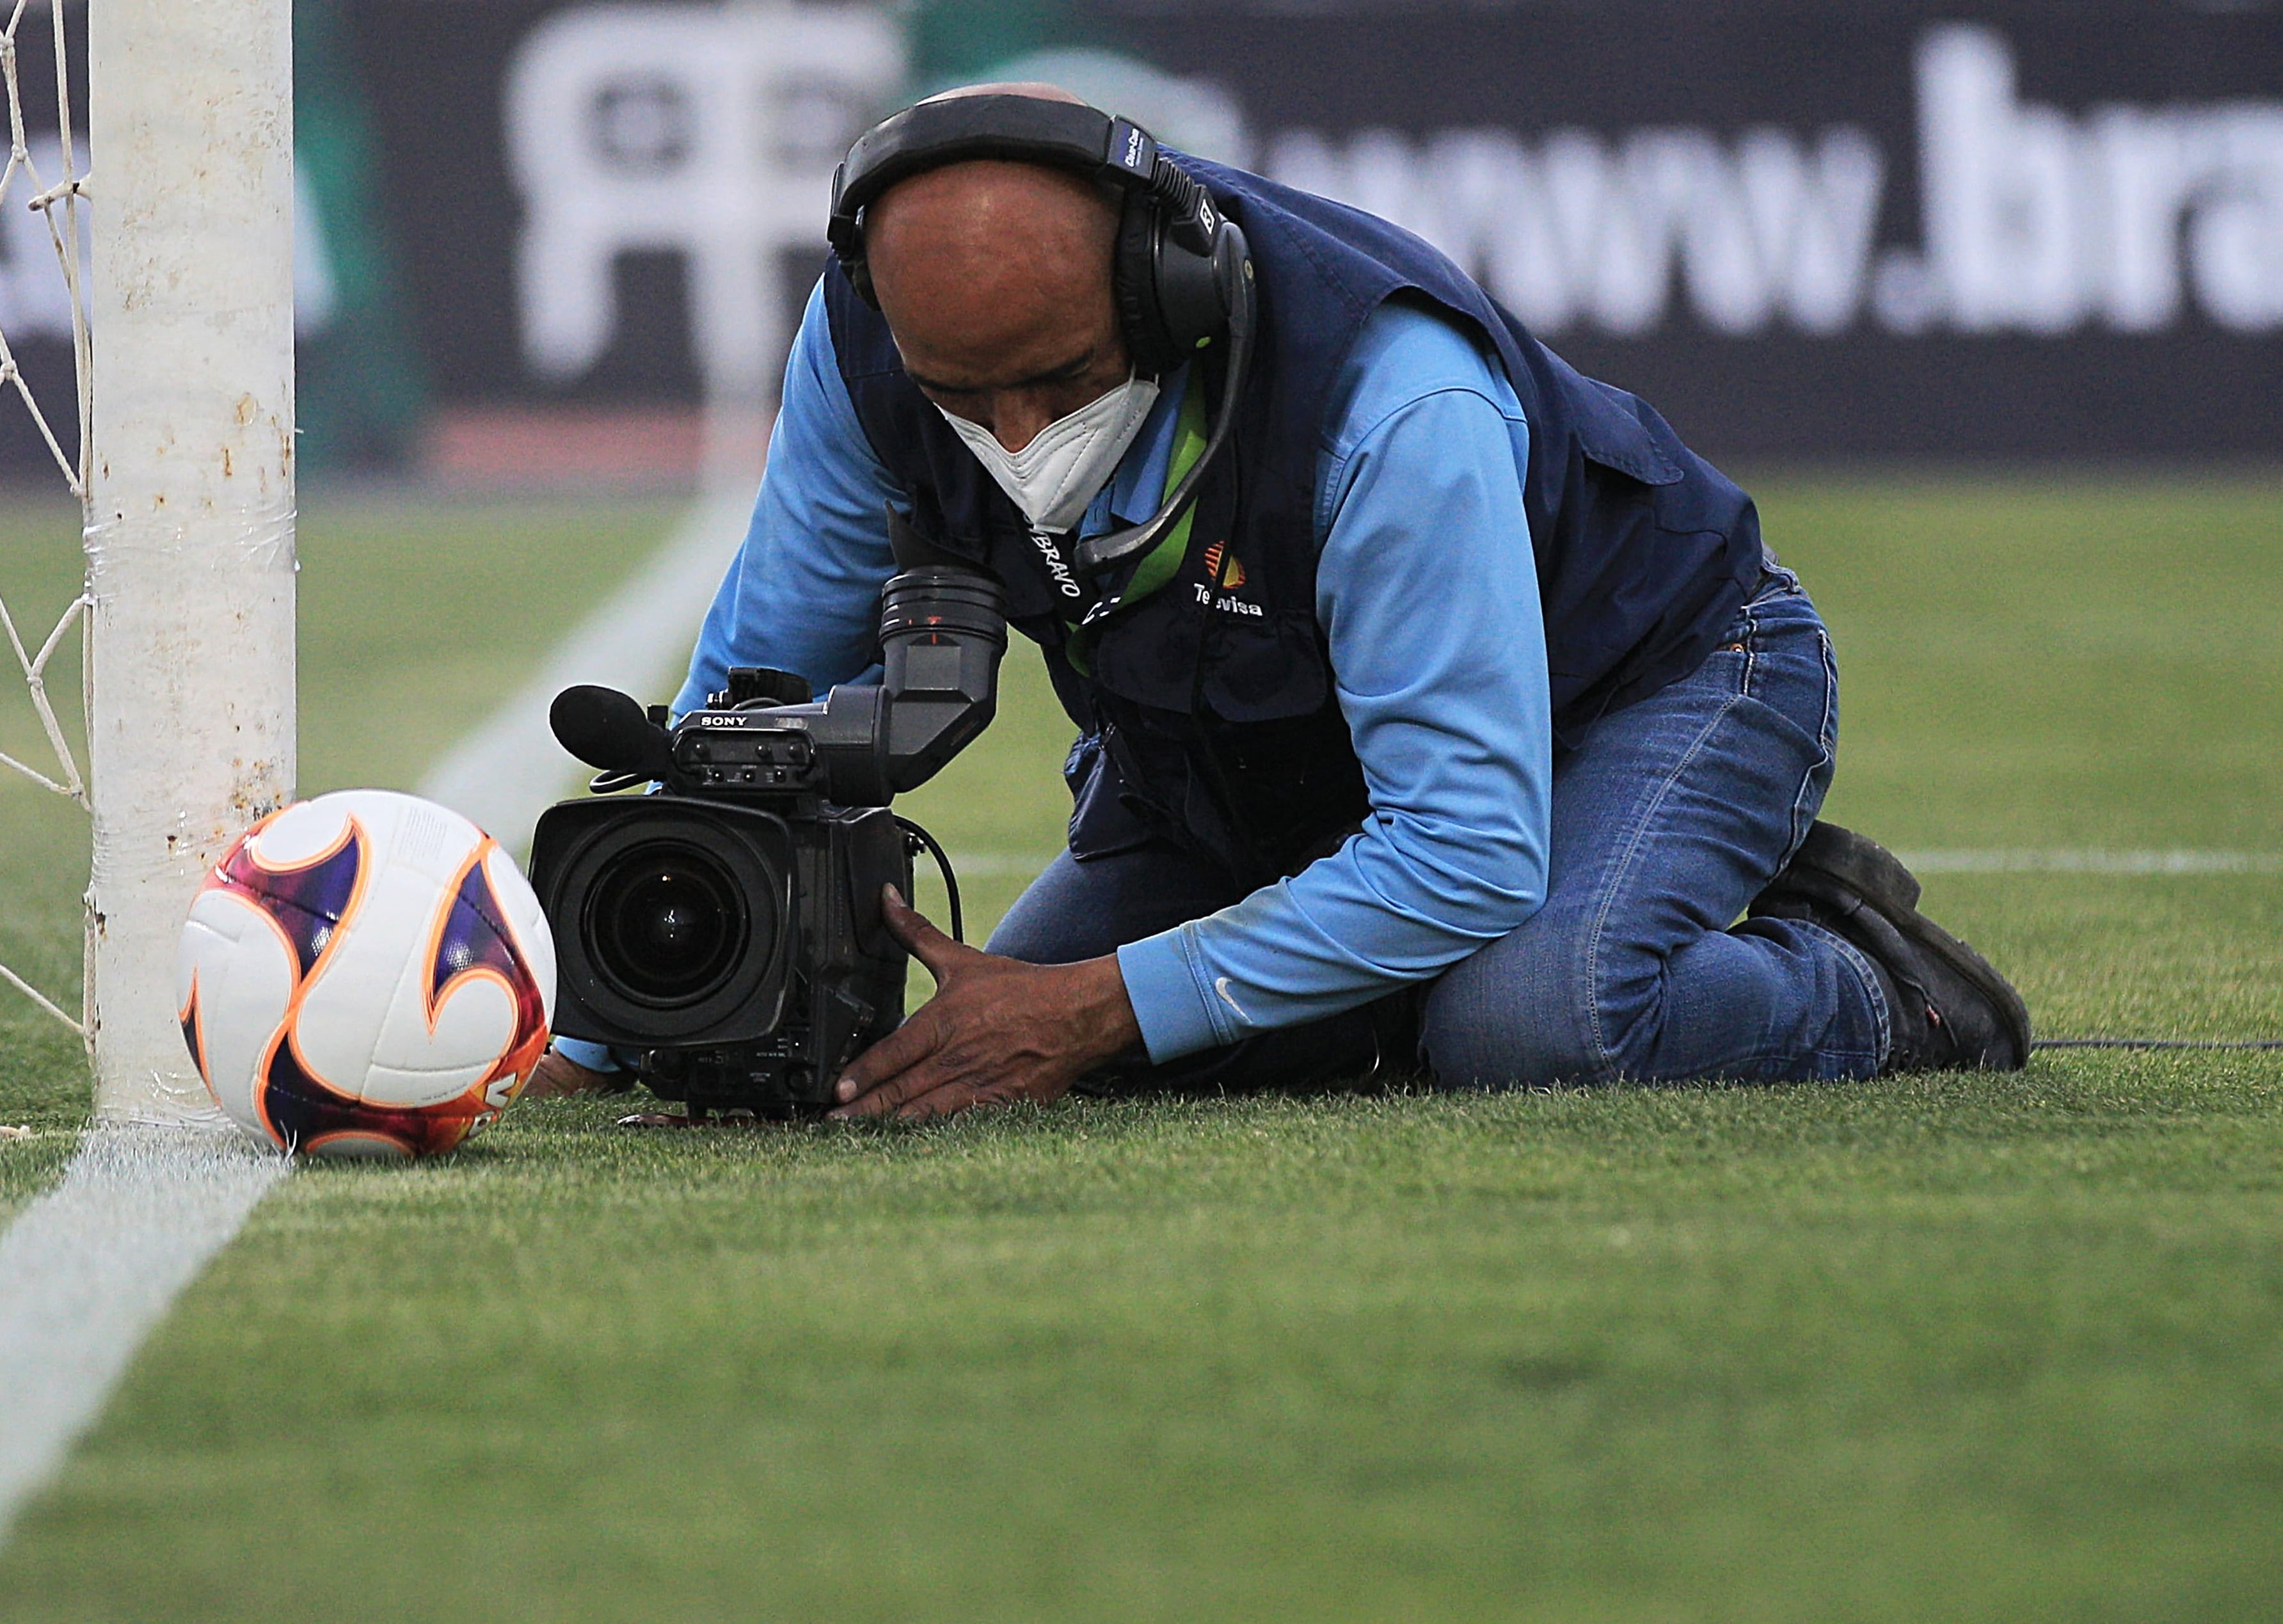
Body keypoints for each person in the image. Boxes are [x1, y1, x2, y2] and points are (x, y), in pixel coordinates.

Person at [529, 84, 2028, 1120]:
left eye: (1055, 380)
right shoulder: (859, 348)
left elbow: (1462, 841)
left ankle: (1869, 989)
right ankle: (1359, 993)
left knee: (1526, 1027)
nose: (1009, 435)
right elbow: (759, 681)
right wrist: (607, 1028)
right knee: (984, 1045)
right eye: (958, 397)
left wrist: (1102, 1002)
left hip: (1654, 683)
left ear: (1168, 299)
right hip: (1245, 762)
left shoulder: (1391, 404)